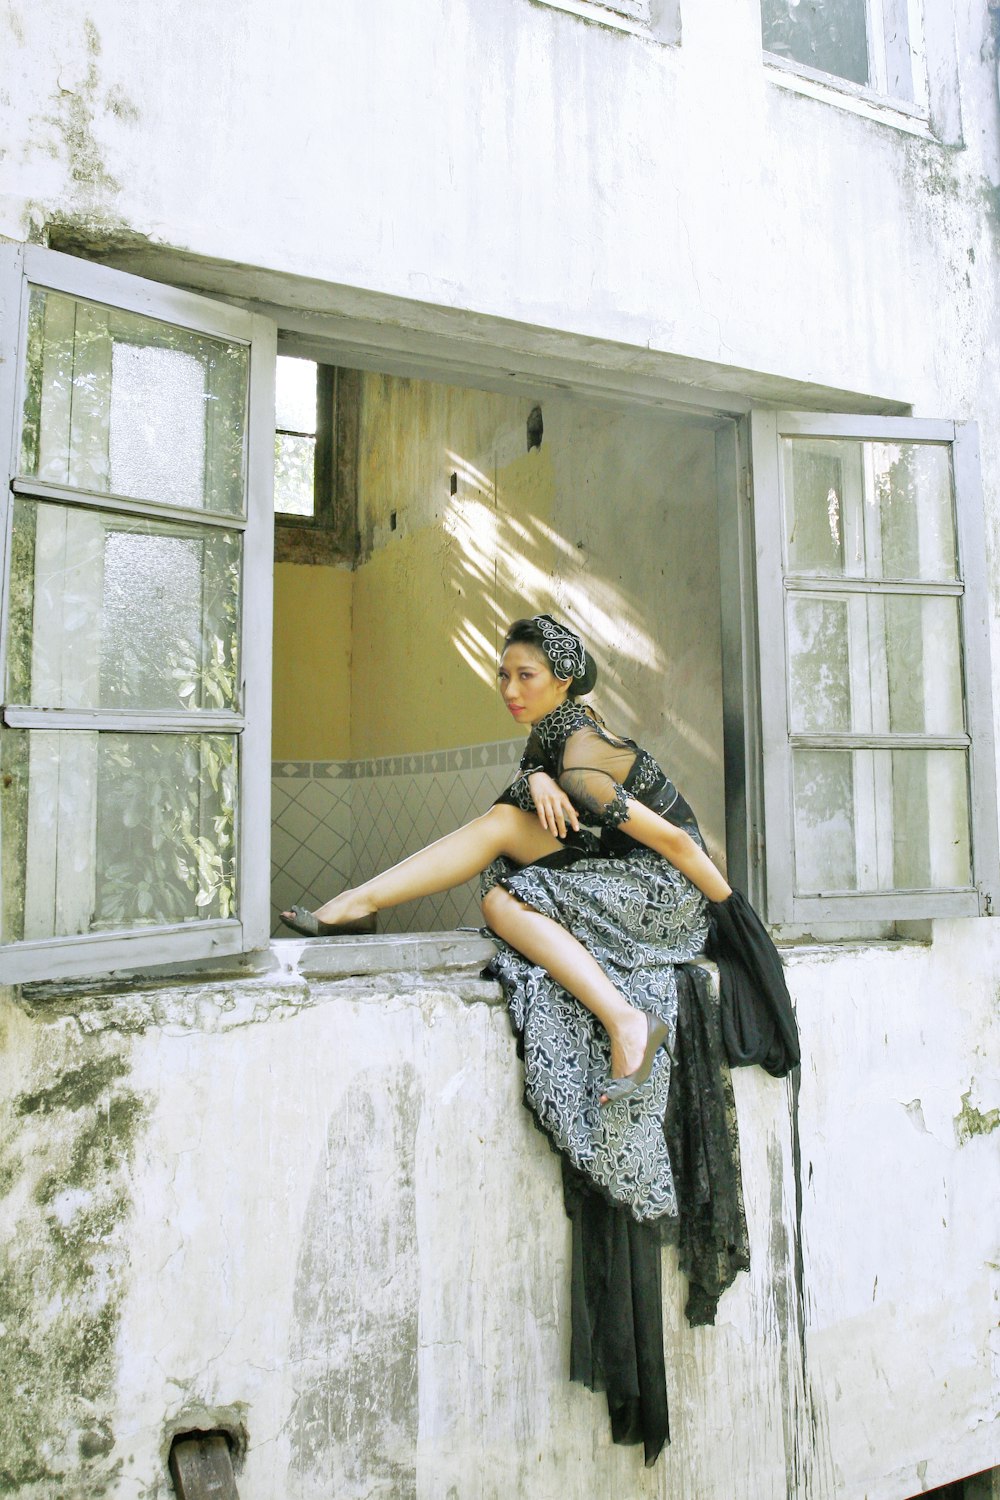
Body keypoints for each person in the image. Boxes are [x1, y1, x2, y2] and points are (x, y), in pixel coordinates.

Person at [282, 612, 735, 1221]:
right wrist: (534, 778)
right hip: (617, 866)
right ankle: (355, 905)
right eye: (503, 675)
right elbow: (537, 789)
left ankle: (628, 1022)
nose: (510, 690)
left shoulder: (580, 753)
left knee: (502, 891)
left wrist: (735, 920)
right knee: (498, 855)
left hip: (667, 890)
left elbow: (681, 846)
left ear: (564, 680)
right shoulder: (554, 735)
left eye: (526, 676)